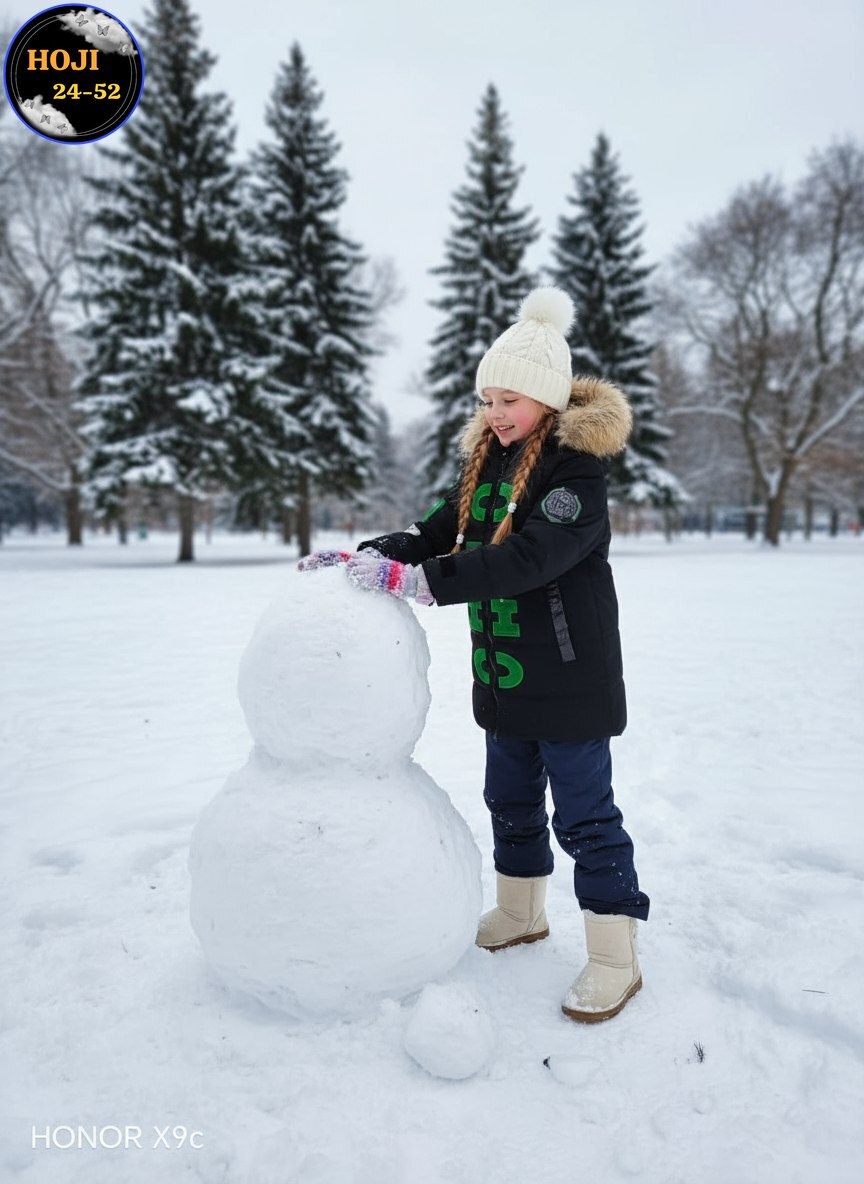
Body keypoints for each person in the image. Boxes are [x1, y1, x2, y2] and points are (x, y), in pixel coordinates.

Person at [300, 286, 649, 1023]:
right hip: (506, 679)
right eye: (487, 397)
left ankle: (616, 956)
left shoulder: (573, 476)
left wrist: (423, 584)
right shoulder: (488, 465)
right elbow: (434, 534)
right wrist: (369, 556)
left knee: (585, 818)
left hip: (570, 684)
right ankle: (522, 912)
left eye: (510, 398)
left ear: (549, 400)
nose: (494, 411)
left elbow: (528, 560)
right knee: (510, 801)